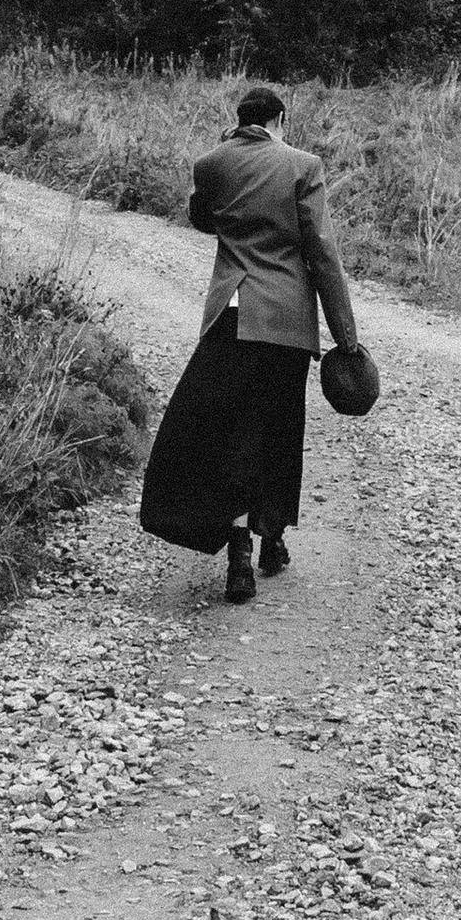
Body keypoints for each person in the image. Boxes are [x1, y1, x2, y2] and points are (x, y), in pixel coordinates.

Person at [138, 81, 362, 604]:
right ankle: (273, 540)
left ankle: (238, 549)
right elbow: (323, 255)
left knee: (231, 432)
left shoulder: (211, 163)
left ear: (240, 120)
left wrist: (220, 164)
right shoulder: (303, 167)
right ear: (280, 119)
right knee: (277, 428)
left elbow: (201, 219)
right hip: (286, 322)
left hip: (232, 315)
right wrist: (346, 339)